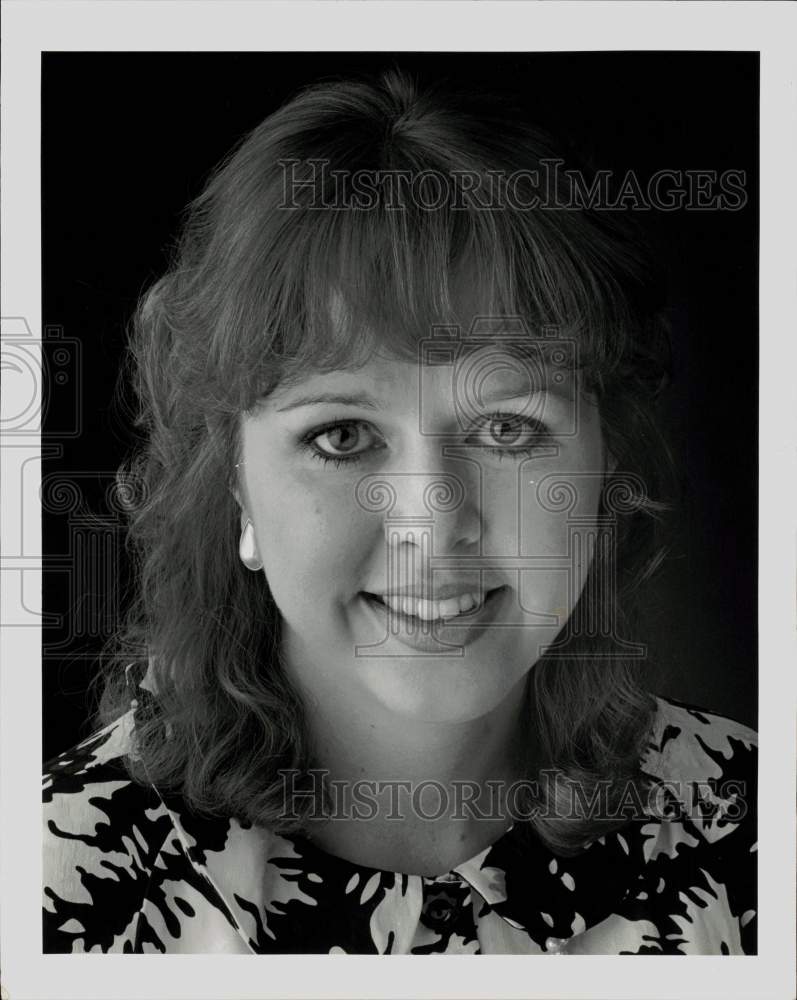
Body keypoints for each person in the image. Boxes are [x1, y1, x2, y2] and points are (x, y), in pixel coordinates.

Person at [42, 69, 757, 955]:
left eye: (506, 427)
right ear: (233, 481)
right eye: (342, 435)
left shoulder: (752, 833)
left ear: (604, 463)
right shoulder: (54, 890)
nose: (433, 522)